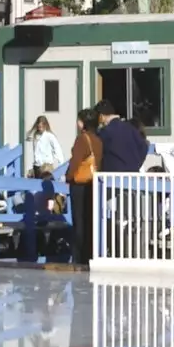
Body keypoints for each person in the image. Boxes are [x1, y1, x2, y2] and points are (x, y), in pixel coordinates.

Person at [67, 109, 102, 268]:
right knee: (90, 221)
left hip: (80, 185)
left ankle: (78, 259)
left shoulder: (82, 139)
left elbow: (75, 163)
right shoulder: (99, 140)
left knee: (79, 222)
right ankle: (89, 255)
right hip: (94, 184)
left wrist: (68, 177)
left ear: (83, 123)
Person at [96, 100, 149, 173]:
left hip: (112, 177)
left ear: (101, 116)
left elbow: (97, 151)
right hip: (133, 175)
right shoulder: (131, 128)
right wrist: (136, 164)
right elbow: (143, 146)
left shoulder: (105, 132)